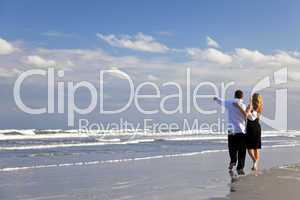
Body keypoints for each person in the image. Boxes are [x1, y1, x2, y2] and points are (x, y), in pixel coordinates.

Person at [213, 90, 247, 175]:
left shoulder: (229, 103)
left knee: (232, 146)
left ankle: (233, 160)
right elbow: (246, 115)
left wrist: (216, 98)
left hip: (231, 129)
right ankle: (240, 167)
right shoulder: (243, 105)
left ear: (235, 95)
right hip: (241, 129)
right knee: (241, 149)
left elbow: (221, 101)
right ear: (242, 97)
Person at [233, 93, 263, 171]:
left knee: (249, 147)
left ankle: (254, 161)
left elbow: (246, 115)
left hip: (251, 129)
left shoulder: (250, 107)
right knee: (256, 148)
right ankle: (255, 164)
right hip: (257, 128)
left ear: (253, 99)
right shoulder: (259, 107)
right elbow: (252, 115)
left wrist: (238, 106)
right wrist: (250, 101)